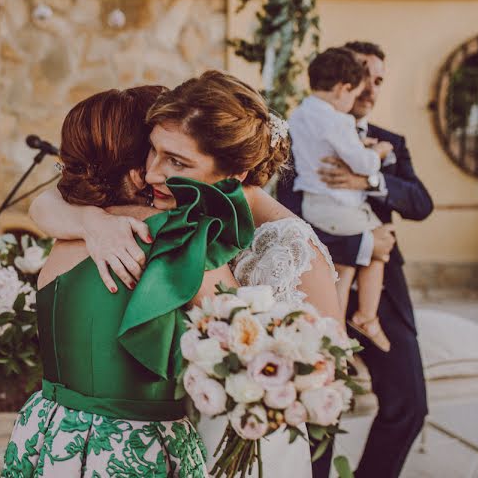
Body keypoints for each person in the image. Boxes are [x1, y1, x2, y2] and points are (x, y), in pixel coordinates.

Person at [30, 71, 344, 477]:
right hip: (179, 430)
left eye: (177, 161)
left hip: (253, 441)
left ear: (236, 174)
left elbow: (325, 373)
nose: (153, 173)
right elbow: (49, 199)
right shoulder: (177, 205)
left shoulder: (292, 247)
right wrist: (90, 220)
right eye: (153, 151)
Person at [1, 86, 252, 477]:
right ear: (139, 161)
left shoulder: (73, 230)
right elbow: (247, 342)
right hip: (133, 448)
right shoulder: (178, 238)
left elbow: (45, 203)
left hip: (50, 432)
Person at [278, 41, 433, 478]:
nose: (370, 86)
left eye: (379, 80)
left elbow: (421, 204)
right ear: (345, 79)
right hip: (319, 281)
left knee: (410, 404)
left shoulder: (391, 143)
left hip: (381, 295)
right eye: (364, 74)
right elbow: (289, 220)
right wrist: (363, 246)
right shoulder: (300, 136)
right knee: (317, 408)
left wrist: (371, 178)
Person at [289, 47, 394, 352]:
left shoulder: (300, 115)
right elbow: (361, 164)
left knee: (345, 270)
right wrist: (378, 152)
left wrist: (358, 146)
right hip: (340, 206)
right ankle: (366, 316)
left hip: (314, 205)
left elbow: (323, 149)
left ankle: (332, 334)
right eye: (355, 93)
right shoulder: (338, 120)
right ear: (343, 89)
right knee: (382, 245)